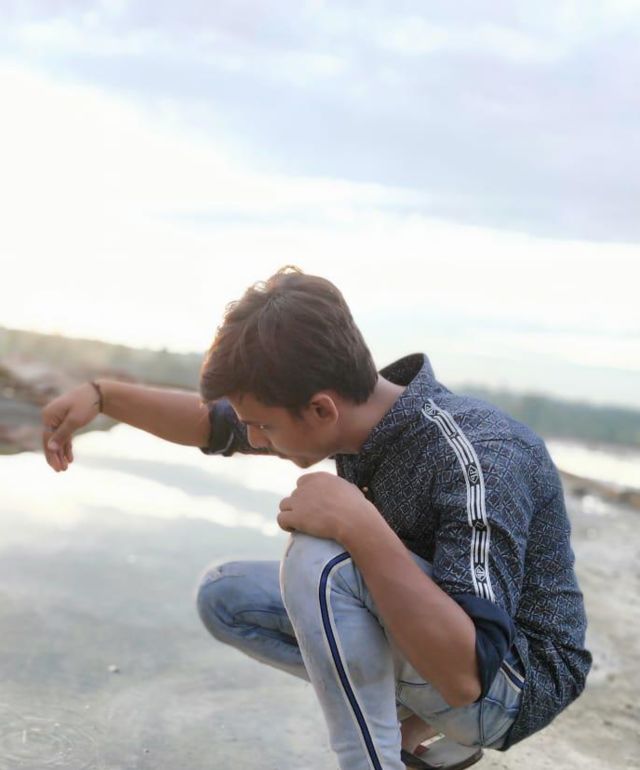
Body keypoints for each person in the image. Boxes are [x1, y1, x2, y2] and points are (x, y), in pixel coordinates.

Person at [41, 266, 591, 770]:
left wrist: (358, 525)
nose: (254, 439)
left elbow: (469, 673)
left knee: (319, 559)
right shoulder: (353, 415)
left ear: (322, 408)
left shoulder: (477, 457)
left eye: (264, 427)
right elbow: (214, 425)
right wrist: (103, 397)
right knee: (226, 595)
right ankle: (414, 727)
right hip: (444, 649)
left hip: (510, 684)